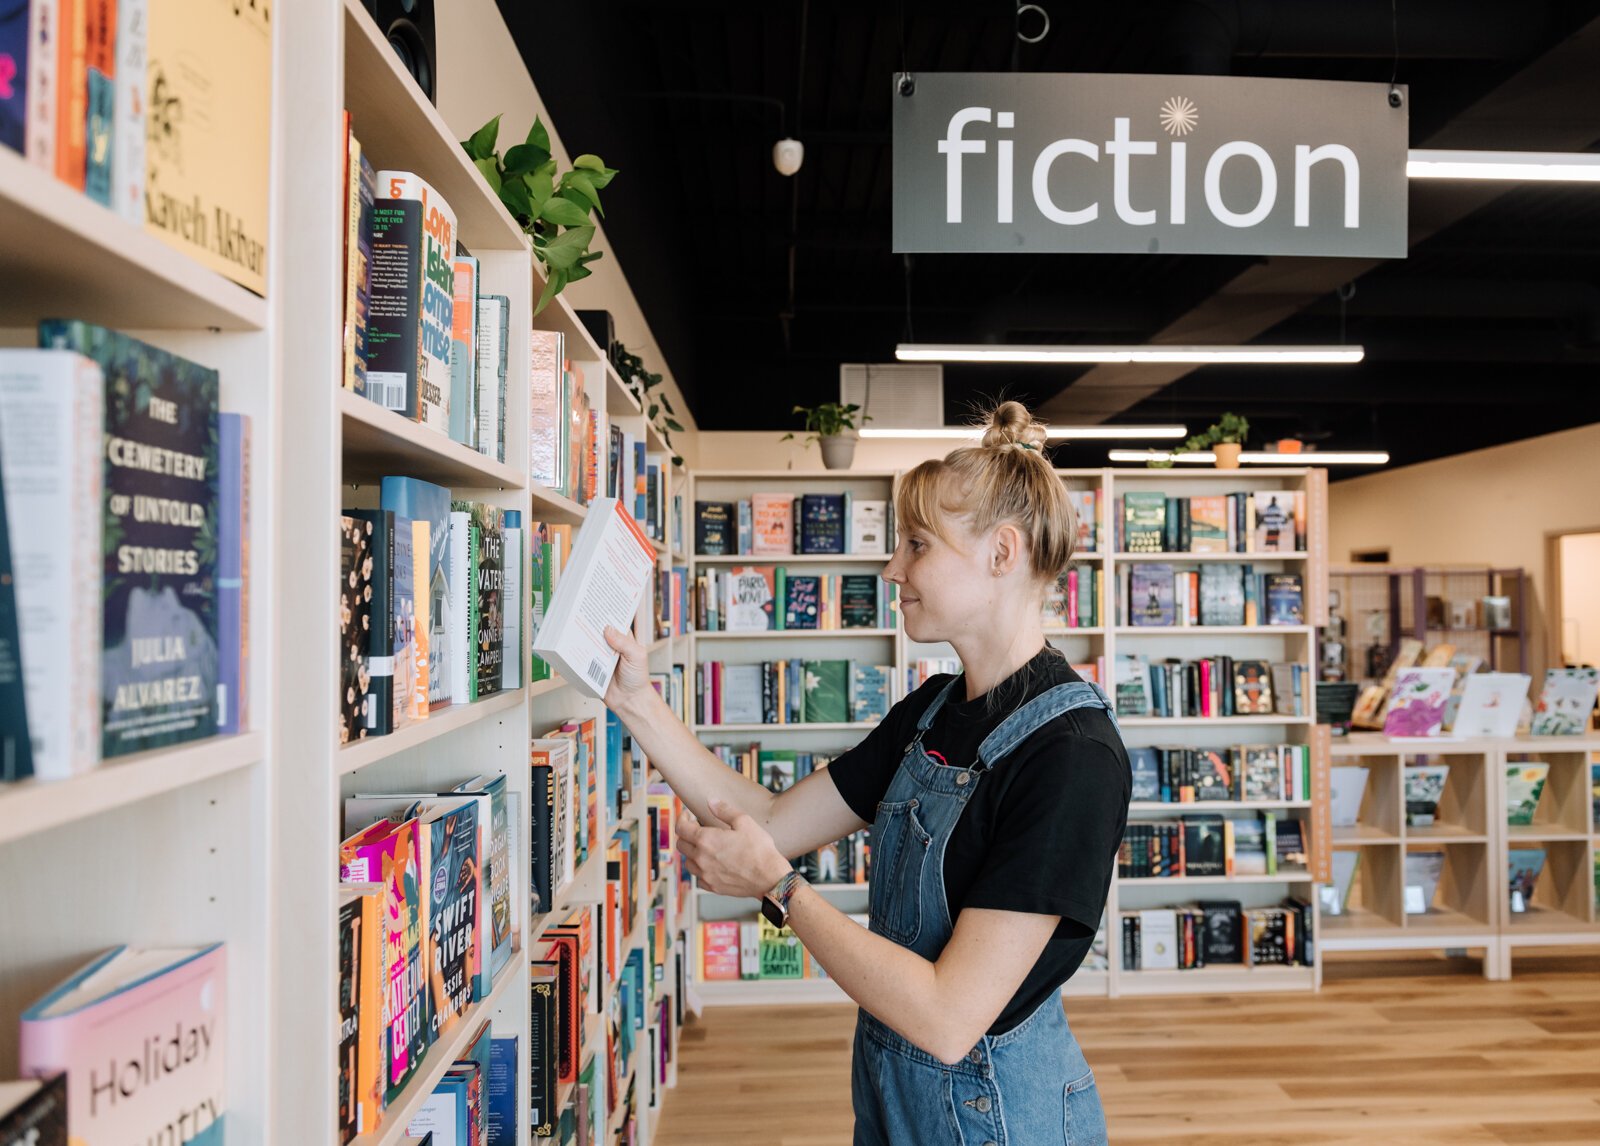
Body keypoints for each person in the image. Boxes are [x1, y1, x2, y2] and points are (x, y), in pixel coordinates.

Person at [603, 401, 1131, 1145]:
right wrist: (635, 701)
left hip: (997, 1113)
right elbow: (775, 821)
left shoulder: (1073, 756)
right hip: (893, 1090)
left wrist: (780, 889)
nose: (892, 569)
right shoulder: (933, 709)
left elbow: (948, 1018)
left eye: (916, 545)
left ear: (1002, 553)